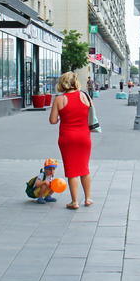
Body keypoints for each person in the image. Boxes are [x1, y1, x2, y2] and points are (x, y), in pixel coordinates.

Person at [49, 71, 93, 209]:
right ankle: (88, 199)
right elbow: (91, 115)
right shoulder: (85, 96)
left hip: (67, 138)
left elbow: (53, 120)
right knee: (84, 168)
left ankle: (74, 202)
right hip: (84, 136)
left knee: (72, 170)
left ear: (62, 83)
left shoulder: (59, 99)